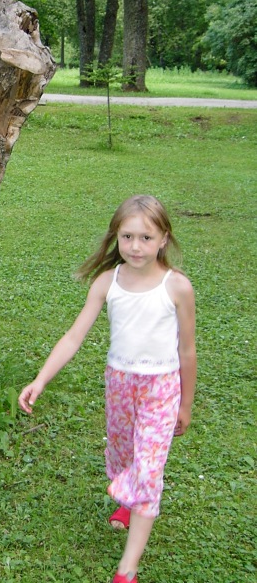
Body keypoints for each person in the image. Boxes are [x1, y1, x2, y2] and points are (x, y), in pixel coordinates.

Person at [19, 195, 197, 583]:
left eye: (146, 238)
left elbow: (187, 350)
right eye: (127, 236)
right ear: (116, 236)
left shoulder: (177, 287)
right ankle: (127, 502)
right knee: (122, 456)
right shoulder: (107, 282)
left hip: (161, 389)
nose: (136, 246)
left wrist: (185, 404)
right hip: (119, 384)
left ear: (164, 239)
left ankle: (126, 570)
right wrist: (40, 379)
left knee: (147, 470)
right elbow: (73, 336)